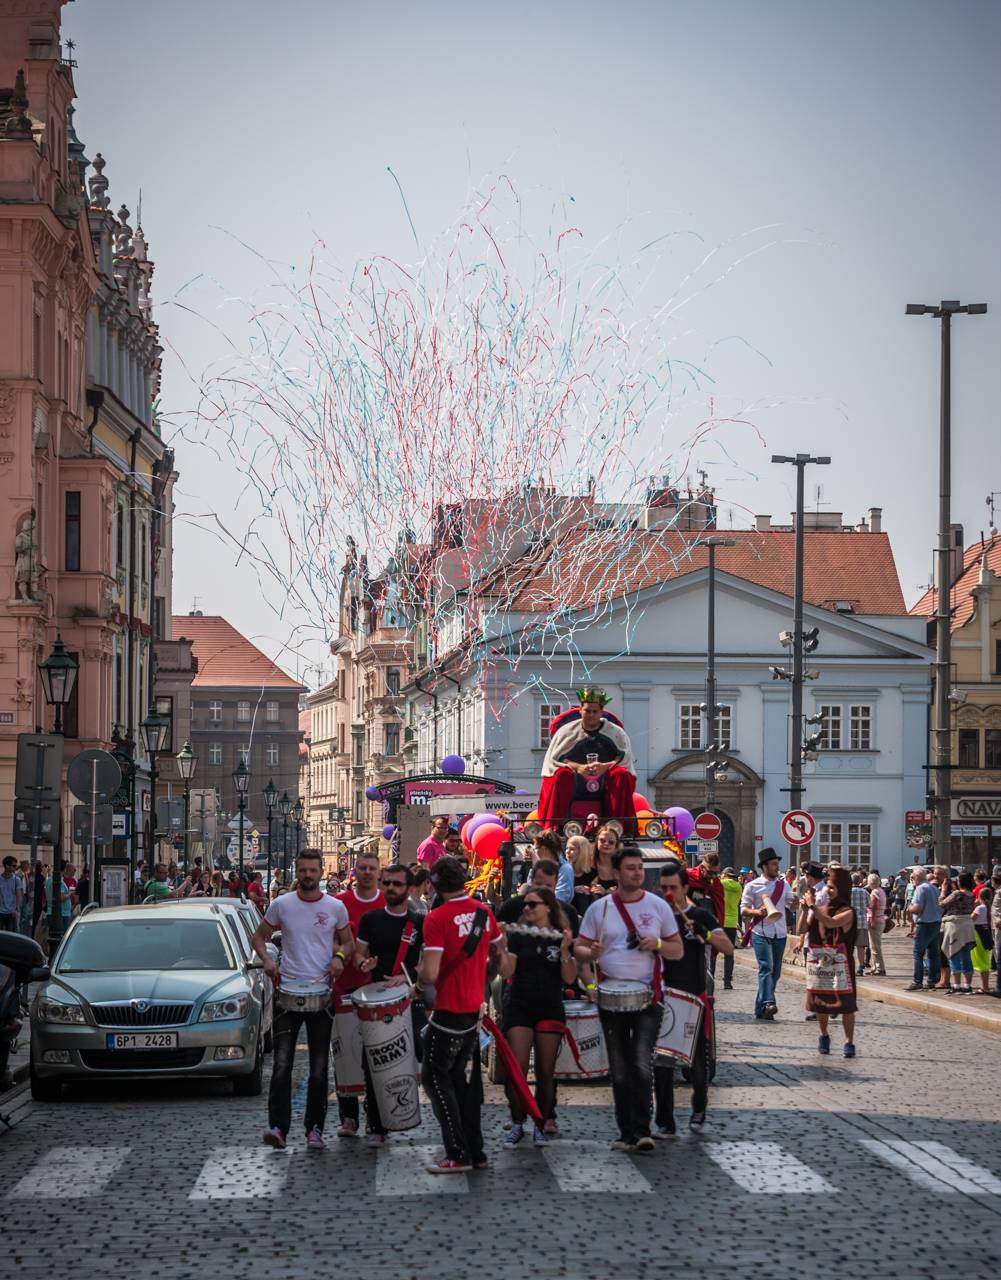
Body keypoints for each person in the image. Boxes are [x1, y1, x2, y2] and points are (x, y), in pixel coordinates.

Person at [575, 848, 682, 1153]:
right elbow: (579, 948)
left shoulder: (658, 907)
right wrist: (590, 954)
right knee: (620, 1068)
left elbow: (677, 950)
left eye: (639, 868)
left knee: (641, 1063)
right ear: (617, 873)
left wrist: (657, 943)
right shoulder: (601, 909)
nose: (637, 873)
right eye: (631, 868)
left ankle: (642, 1129)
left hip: (649, 995)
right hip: (610, 995)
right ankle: (626, 1132)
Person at [252, 850, 354, 1151]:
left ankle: (315, 1129)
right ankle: (278, 1128)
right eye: (303, 870)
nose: (308, 875)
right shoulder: (282, 905)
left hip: (321, 995)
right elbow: (259, 937)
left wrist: (339, 958)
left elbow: (347, 942)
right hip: (287, 994)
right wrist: (267, 961)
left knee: (320, 1067)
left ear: (322, 872)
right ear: (296, 871)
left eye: (313, 870)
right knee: (282, 1065)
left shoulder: (335, 907)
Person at [417, 855, 506, 1174]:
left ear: (435, 885)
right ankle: (475, 1150)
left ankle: (456, 1151)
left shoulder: (437, 918)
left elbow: (429, 973)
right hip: (474, 1007)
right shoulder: (483, 913)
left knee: (434, 1078)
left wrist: (421, 977)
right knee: (462, 1082)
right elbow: (500, 957)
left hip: (448, 1009)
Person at [654, 860, 733, 1134]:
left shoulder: (699, 915)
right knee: (662, 1062)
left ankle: (699, 1107)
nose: (668, 893)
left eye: (673, 887)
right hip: (664, 994)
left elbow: (729, 947)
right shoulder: (656, 917)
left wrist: (707, 934)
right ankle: (665, 1119)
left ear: (685, 887)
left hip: (693, 997)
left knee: (698, 1062)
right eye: (663, 888)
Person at [353, 864, 426, 1146]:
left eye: (397, 884)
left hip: (411, 998)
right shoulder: (371, 920)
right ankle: (375, 1123)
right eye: (388, 883)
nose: (391, 888)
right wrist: (364, 964)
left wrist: (409, 979)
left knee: (421, 1048)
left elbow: (427, 961)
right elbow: (359, 956)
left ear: (408, 889)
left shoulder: (419, 922)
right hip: (377, 1001)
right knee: (373, 1061)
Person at [499, 885, 576, 1148]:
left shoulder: (560, 936)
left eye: (532, 904)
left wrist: (566, 951)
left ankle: (541, 1123)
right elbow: (508, 970)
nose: (527, 908)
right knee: (517, 1068)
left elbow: (569, 978)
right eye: (525, 904)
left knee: (545, 1070)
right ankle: (518, 1120)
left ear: (547, 908)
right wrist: (501, 947)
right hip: (520, 1004)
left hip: (549, 1005)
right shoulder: (519, 935)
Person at [331, 853, 385, 1137]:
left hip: (378, 986)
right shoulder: (340, 903)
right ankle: (348, 1116)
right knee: (345, 1053)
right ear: (355, 871)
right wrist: (342, 956)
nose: (366, 872)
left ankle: (374, 1116)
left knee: (376, 1053)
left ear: (379, 872)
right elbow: (330, 941)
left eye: (371, 869)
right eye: (362, 868)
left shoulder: (386, 903)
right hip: (345, 986)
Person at [538, 688, 637, 833]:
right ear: (580, 710)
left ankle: (619, 826)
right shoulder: (567, 732)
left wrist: (606, 766)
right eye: (587, 711)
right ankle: (556, 826)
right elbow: (557, 758)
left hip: (605, 779)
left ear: (601, 712)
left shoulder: (615, 733)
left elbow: (623, 757)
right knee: (561, 776)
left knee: (621, 775)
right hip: (575, 781)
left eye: (594, 711)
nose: (591, 715)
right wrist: (577, 767)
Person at [804, 866, 858, 1057]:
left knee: (846, 1005)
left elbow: (831, 923)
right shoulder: (821, 908)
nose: (828, 891)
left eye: (832, 887)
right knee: (820, 1002)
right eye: (827, 887)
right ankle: (824, 1035)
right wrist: (805, 909)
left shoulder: (849, 911)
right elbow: (805, 927)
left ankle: (849, 1042)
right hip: (822, 962)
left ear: (842, 889)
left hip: (842, 965)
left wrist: (812, 907)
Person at [740, 848, 795, 1020]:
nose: (777, 867)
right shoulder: (752, 886)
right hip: (760, 932)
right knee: (766, 968)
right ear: (764, 866)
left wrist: (797, 902)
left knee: (775, 973)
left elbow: (791, 905)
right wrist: (757, 912)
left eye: (777, 864)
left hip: (780, 933)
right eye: (773, 864)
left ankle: (760, 1009)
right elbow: (743, 910)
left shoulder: (783, 885)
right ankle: (769, 1002)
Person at [497, 861, 580, 935]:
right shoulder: (511, 907)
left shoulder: (568, 912)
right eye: (539, 884)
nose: (543, 890)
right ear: (531, 881)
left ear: (556, 885)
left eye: (548, 886)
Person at [939, 872, 977, 994]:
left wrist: (944, 890)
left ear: (961, 881)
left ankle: (956, 985)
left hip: (956, 925)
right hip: (968, 925)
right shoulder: (972, 894)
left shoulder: (957, 893)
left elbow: (942, 903)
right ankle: (967, 985)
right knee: (966, 957)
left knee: (953, 953)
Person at [905, 867, 941, 990]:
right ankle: (931, 980)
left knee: (918, 953)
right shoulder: (934, 888)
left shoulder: (920, 889)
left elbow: (918, 908)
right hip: (936, 922)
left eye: (912, 877)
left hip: (924, 923)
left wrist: (910, 908)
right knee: (933, 953)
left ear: (917, 877)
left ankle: (917, 981)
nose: (912, 880)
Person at [719, 868, 742, 989]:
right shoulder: (739, 887)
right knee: (729, 954)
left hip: (720, 921)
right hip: (732, 923)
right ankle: (727, 982)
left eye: (722, 874)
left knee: (714, 953)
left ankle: (710, 977)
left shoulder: (721, 883)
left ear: (726, 875)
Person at [565, 835, 596, 915]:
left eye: (572, 849)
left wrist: (590, 889)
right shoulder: (562, 870)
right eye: (567, 848)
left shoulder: (593, 873)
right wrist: (573, 889)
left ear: (582, 852)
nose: (567, 852)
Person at [972, 885, 993, 994]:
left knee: (980, 961)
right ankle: (985, 985)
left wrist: (974, 905)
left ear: (979, 896)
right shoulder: (988, 907)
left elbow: (971, 919)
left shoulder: (979, 908)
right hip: (985, 934)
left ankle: (984, 986)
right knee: (984, 960)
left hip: (978, 935)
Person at [865, 872, 887, 975]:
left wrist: (872, 920)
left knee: (875, 946)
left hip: (875, 920)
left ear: (871, 882)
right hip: (881, 919)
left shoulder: (874, 892)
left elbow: (873, 907)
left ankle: (880, 968)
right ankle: (875, 966)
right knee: (873, 945)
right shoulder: (881, 891)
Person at [850, 874, 870, 976]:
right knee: (860, 947)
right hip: (862, 922)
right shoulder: (865, 892)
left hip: (850, 922)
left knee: (849, 947)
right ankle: (860, 967)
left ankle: (849, 967)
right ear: (860, 881)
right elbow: (869, 905)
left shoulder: (848, 892)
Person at [0, 857, 23, 932]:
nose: (15, 868)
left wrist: (16, 909)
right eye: (14, 866)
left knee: (11, 935)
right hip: (1, 912)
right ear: (7, 866)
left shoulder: (16, 879)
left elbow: (18, 895)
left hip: (11, 912)